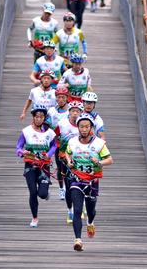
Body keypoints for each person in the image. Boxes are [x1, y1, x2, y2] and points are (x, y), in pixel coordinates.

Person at [65, 113, 113, 251]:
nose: (84, 129)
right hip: (77, 180)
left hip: (92, 181)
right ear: (78, 128)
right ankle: (78, 240)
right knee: (78, 210)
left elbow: (110, 160)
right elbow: (68, 153)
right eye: (81, 126)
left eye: (87, 127)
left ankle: (90, 222)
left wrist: (98, 162)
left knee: (91, 210)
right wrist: (69, 162)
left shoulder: (99, 144)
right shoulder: (73, 142)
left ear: (91, 128)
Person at [16, 104, 57, 227]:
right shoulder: (26, 132)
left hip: (44, 166)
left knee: (42, 194)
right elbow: (18, 147)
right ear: (33, 117)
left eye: (41, 117)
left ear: (44, 118)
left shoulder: (50, 133)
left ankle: (45, 192)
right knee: (33, 192)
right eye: (37, 116)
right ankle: (34, 218)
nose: (39, 119)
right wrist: (23, 152)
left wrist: (49, 154)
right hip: (30, 166)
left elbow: (54, 145)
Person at [54, 100, 84, 221]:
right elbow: (54, 136)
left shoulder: (84, 125)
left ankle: (80, 208)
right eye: (73, 111)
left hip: (80, 159)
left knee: (80, 184)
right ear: (69, 112)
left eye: (77, 111)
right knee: (68, 185)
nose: (75, 113)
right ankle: (70, 210)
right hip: (64, 160)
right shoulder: (62, 124)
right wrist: (59, 148)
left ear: (81, 113)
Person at [46, 85, 70, 199]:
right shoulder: (51, 111)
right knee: (60, 167)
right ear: (56, 98)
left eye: (63, 97)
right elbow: (46, 126)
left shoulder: (71, 111)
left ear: (67, 98)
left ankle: (72, 187)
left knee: (71, 167)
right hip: (57, 143)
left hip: (70, 144)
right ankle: (61, 189)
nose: (61, 99)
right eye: (59, 97)